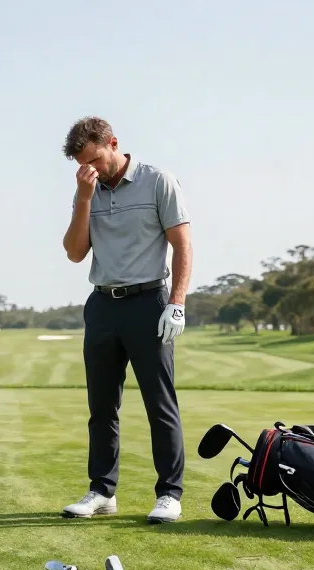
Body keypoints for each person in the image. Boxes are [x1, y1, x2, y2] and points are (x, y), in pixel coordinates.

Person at [59, 116, 192, 524]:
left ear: (113, 143)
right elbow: (75, 252)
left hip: (148, 302)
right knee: (101, 407)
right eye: (84, 164)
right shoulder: (88, 189)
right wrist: (84, 198)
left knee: (159, 403)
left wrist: (177, 303)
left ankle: (169, 493)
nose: (91, 169)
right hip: (102, 306)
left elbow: (183, 245)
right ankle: (102, 490)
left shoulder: (158, 181)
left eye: (96, 159)